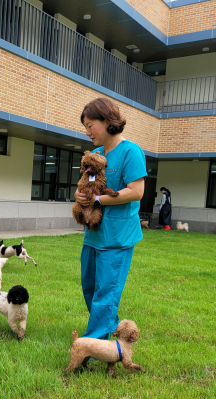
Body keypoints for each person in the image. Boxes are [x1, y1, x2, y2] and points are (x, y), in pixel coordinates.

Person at [74, 98, 147, 340]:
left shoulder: (131, 152)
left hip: (117, 237)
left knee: (106, 292)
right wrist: (79, 196)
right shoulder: (94, 155)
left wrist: (97, 201)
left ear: (106, 121)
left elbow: (136, 191)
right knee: (90, 288)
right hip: (93, 234)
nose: (87, 131)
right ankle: (112, 327)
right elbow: (86, 186)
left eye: (90, 125)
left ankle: (94, 346)